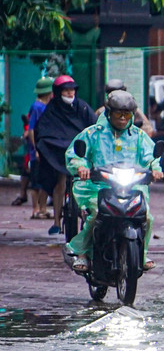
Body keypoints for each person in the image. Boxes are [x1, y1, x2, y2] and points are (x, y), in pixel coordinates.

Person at [64, 90, 163, 273]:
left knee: (147, 217)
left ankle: (141, 254)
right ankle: (83, 253)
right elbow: (76, 154)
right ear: (109, 113)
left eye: (127, 114)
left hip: (131, 187)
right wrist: (81, 167)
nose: (123, 118)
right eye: (119, 114)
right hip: (97, 187)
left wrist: (155, 169)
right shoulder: (93, 133)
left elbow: (151, 157)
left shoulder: (139, 136)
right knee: (96, 214)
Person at [31, 75, 97, 236]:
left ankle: (89, 216)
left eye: (72, 89)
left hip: (81, 154)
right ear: (58, 92)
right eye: (66, 90)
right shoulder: (52, 109)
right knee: (60, 183)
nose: (69, 93)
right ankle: (56, 222)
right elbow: (43, 130)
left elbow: (94, 128)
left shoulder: (82, 107)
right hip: (60, 155)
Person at [15, 77, 53, 215]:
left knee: (45, 180)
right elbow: (31, 129)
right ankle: (36, 209)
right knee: (35, 181)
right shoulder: (37, 107)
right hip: (37, 149)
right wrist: (35, 148)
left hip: (46, 148)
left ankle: (43, 208)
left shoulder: (46, 106)